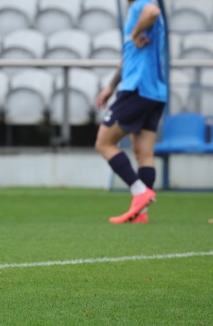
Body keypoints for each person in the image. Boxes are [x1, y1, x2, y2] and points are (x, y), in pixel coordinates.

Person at [95, 0, 166, 224]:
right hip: (155, 92)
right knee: (143, 152)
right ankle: (140, 213)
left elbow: (153, 11)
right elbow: (130, 56)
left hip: (137, 88)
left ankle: (139, 191)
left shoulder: (141, 6)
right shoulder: (137, 10)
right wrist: (110, 86)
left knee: (104, 142)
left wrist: (135, 31)